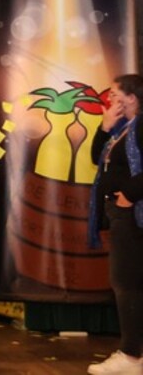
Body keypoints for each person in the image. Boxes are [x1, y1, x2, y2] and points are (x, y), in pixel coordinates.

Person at [87, 73, 143, 374]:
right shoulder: (123, 128)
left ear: (131, 98)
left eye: (114, 94)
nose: (109, 99)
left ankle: (131, 355)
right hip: (120, 213)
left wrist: (129, 195)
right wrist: (104, 127)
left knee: (125, 281)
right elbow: (97, 158)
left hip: (131, 213)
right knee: (127, 281)